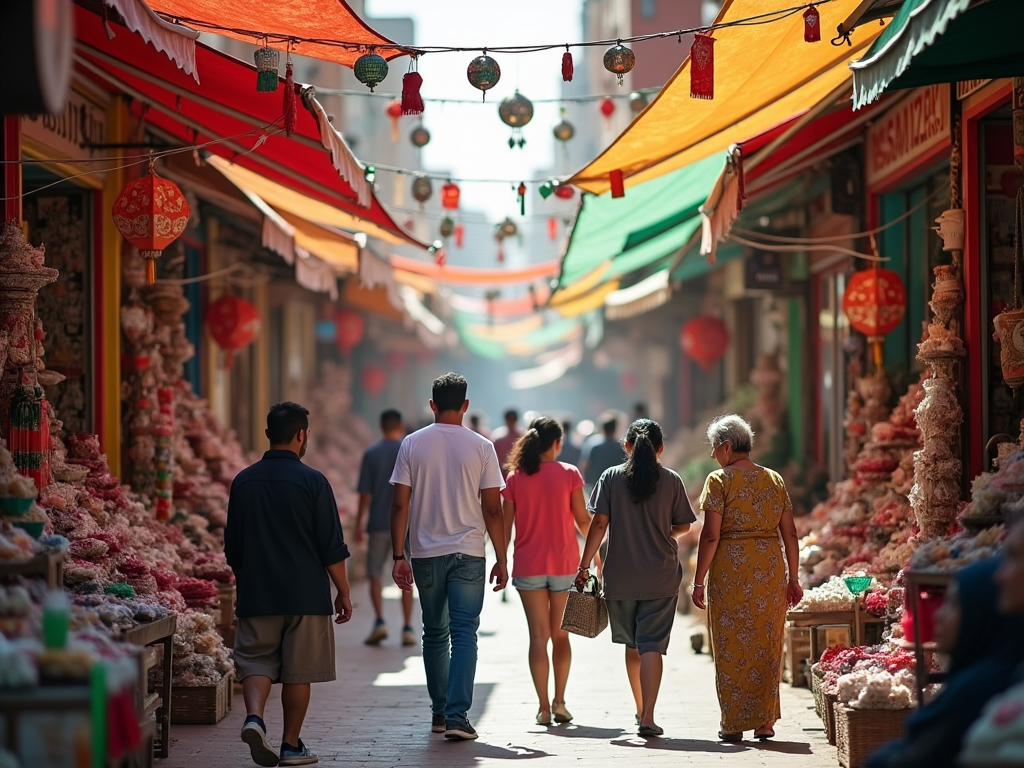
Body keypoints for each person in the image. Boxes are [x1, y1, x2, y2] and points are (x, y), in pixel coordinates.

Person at [225, 402, 353, 767]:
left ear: (268, 434)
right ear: (302, 435)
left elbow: (233, 546)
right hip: (306, 595)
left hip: (257, 590)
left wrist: (243, 583)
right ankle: (291, 745)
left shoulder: (243, 481)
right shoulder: (314, 481)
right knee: (300, 670)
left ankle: (254, 717)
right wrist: (342, 591)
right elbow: (331, 546)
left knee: (255, 662)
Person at [390, 373, 508, 741]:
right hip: (470, 552)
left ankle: (440, 713)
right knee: (464, 634)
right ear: (466, 406)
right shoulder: (482, 447)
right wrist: (502, 557)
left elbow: (399, 503)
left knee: (435, 633)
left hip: (425, 553)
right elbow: (492, 509)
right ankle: (458, 716)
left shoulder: (412, 443)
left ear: (432, 405)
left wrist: (398, 555)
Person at [576, 418, 694, 737]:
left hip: (620, 576)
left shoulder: (611, 478)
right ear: (661, 449)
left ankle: (640, 708)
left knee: (632, 645)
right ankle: (649, 716)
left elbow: (599, 524)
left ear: (626, 446)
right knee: (651, 644)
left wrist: (584, 565)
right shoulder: (671, 480)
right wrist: (662, 529)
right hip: (661, 575)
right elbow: (684, 526)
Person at [691, 414, 802, 743]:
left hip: (731, 571)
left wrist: (698, 581)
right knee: (767, 644)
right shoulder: (774, 479)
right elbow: (791, 533)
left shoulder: (719, 480)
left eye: (714, 448)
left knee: (730, 645)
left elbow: (711, 536)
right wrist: (793, 577)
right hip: (770, 569)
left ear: (726, 447)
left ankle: (734, 723)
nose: (713, 455)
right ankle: (765, 722)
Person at [866, 556, 1024, 768]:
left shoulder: (978, 689)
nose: (938, 615)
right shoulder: (992, 677)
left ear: (978, 615)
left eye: (953, 604)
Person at [502, 417, 591, 726]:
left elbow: (504, 526)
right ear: (557, 444)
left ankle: (542, 708)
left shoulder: (515, 477)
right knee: (561, 637)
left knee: (537, 637)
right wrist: (597, 555)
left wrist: (500, 560)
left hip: (528, 566)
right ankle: (560, 703)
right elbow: (583, 521)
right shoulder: (569, 474)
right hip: (565, 564)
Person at [355, 408, 414, 647]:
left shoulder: (371, 454)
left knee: (375, 573)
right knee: (406, 575)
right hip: (407, 524)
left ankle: (379, 621)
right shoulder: (409, 450)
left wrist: (359, 523)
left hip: (378, 522)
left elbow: (365, 494)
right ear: (400, 426)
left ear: (381, 427)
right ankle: (408, 627)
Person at [580, 415, 627, 490]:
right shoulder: (621, 447)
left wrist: (586, 481)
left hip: (597, 484)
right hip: (616, 485)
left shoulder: (593, 445)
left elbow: (586, 465)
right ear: (615, 429)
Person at [491, 409, 523, 477]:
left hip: (519, 474)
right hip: (502, 475)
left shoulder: (523, 438)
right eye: (509, 420)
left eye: (513, 420)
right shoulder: (498, 439)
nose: (511, 422)